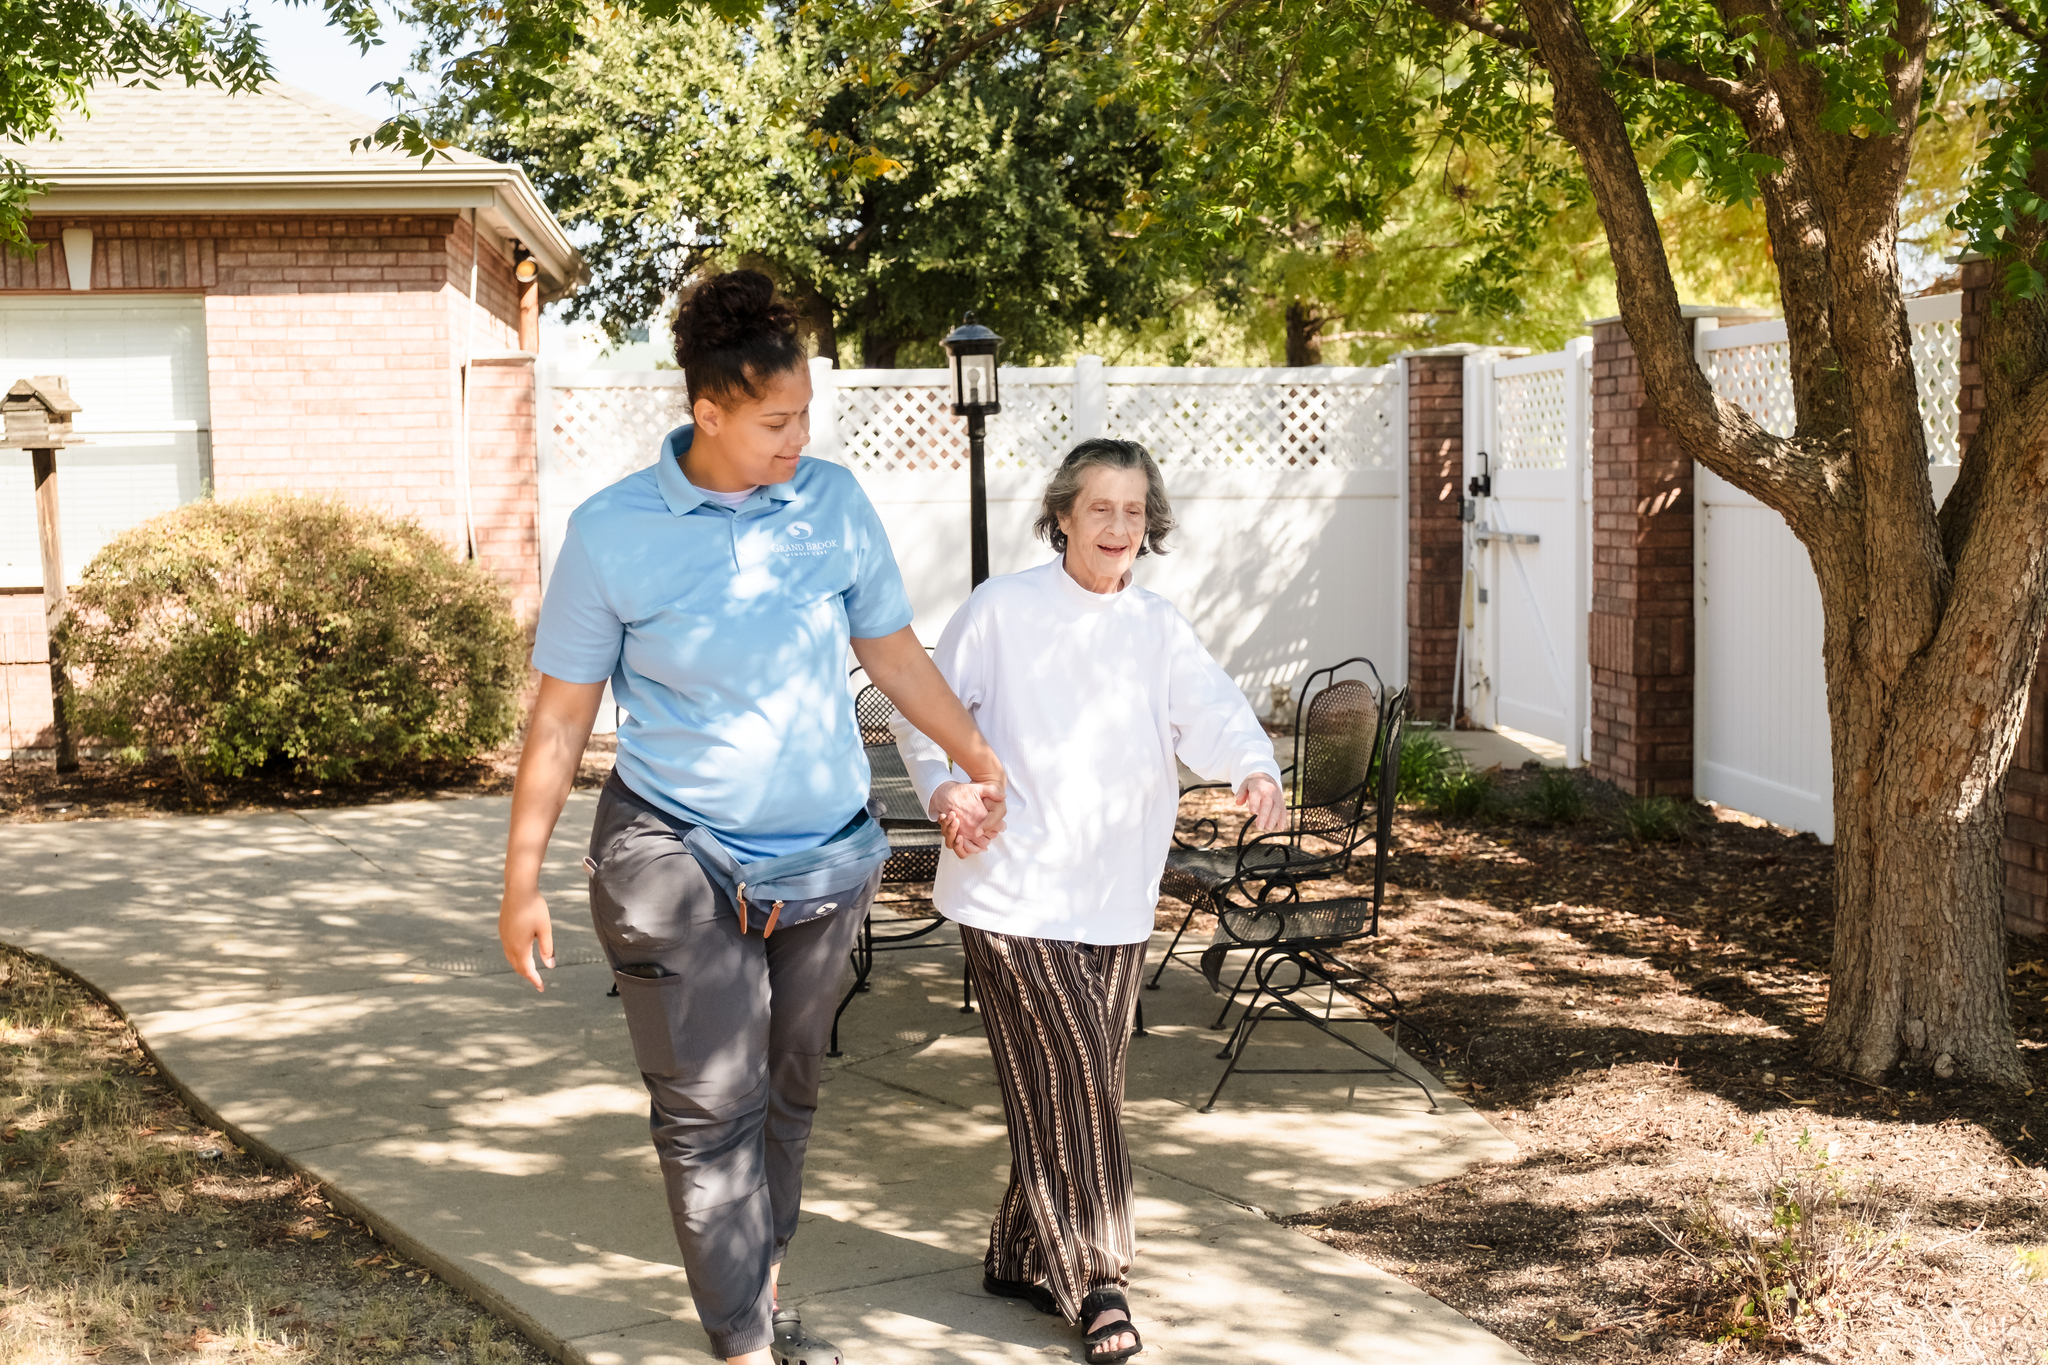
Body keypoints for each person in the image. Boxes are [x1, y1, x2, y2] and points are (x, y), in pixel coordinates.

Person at [497, 270, 1006, 1365]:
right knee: (707, 1108)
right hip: (673, 851)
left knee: (788, 1091)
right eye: (775, 420)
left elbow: (891, 650)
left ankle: (758, 1301)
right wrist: (521, 876)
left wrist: (972, 755)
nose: (796, 438)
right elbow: (559, 720)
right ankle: (742, 1345)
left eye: (805, 415)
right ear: (708, 411)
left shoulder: (829, 503)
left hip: (822, 856)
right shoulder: (613, 532)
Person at [891, 438, 1287, 1364]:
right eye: (1099, 508)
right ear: (1062, 515)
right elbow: (928, 712)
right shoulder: (1001, 610)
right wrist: (949, 791)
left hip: (1113, 900)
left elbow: (1216, 712)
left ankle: (1020, 1253)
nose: (1118, 527)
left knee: (1073, 1085)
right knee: (1076, 1082)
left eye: (1134, 511)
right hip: (1009, 890)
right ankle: (1100, 1279)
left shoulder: (1156, 625)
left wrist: (1256, 766)